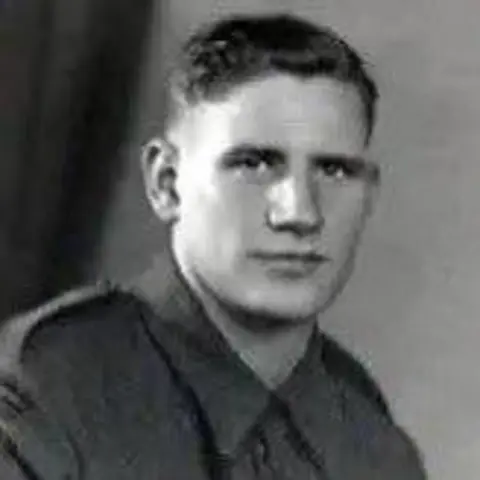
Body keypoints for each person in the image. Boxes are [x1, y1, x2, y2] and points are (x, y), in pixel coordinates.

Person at [0, 13, 427, 480]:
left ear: (369, 194)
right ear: (167, 183)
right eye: (255, 163)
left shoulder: (370, 438)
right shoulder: (43, 393)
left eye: (335, 170)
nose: (300, 213)